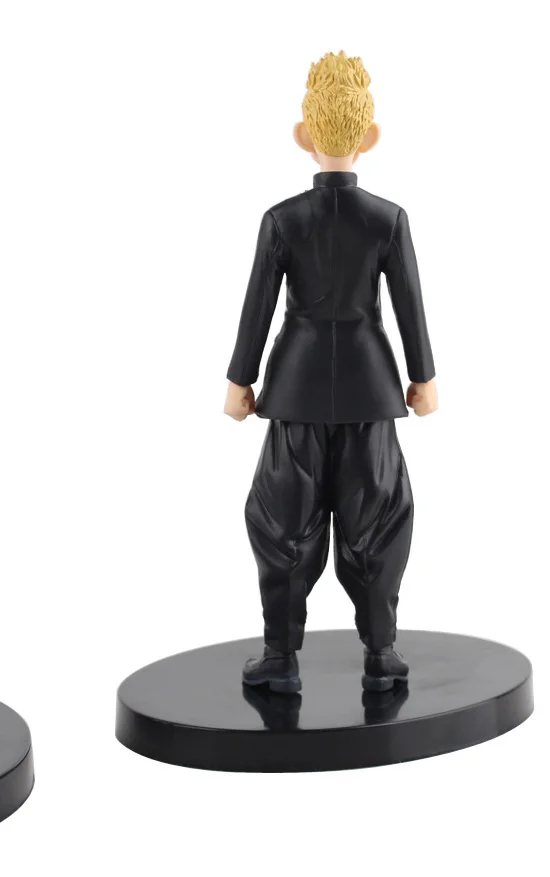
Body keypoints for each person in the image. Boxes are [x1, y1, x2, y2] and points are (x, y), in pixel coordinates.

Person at [224, 51, 438, 694]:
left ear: (303, 135)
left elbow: (258, 307)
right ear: (370, 136)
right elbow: (410, 306)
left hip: (296, 389)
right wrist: (424, 378)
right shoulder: (387, 218)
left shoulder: (282, 219)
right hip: (371, 389)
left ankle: (280, 657)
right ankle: (381, 653)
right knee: (378, 518)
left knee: (283, 524)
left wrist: (239, 381)